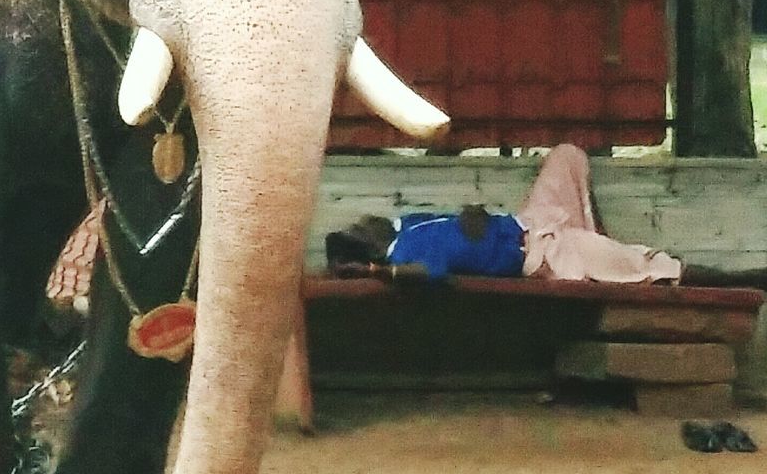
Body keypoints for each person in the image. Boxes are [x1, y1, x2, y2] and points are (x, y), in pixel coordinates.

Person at [326, 144, 767, 290]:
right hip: (548, 254)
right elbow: (429, 276)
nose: (367, 219)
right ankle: (747, 278)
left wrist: (473, 216)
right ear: (368, 246)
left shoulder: (405, 224)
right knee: (651, 267)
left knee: (566, 156)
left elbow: (466, 223)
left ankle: (599, 242)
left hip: (531, 221)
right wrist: (373, 271)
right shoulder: (407, 253)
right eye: (360, 226)